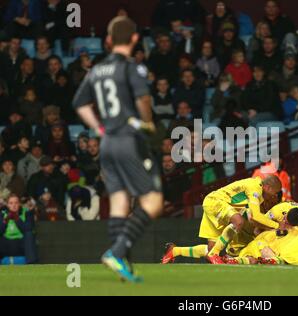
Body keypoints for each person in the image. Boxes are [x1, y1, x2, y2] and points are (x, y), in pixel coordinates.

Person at [73, 16, 164, 283]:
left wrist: (100, 129)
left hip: (107, 143)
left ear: (109, 41)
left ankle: (122, 267)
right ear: (135, 39)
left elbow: (79, 104)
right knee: (154, 202)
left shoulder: (97, 69)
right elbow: (144, 99)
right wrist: (147, 123)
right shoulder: (132, 68)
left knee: (119, 202)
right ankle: (117, 251)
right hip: (128, 140)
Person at [164, 176, 283, 265]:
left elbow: (252, 218)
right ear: (268, 187)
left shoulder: (257, 192)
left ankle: (175, 251)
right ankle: (215, 253)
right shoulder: (255, 188)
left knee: (210, 250)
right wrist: (277, 225)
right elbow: (256, 216)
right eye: (275, 192)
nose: (275, 195)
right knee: (238, 221)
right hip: (216, 202)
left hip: (213, 204)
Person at [0, 194, 38, 264]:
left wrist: (16, 218)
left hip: (21, 244)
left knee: (29, 234)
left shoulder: (26, 212)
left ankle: (31, 263)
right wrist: (6, 220)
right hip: (6, 244)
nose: (13, 205)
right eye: (11, 203)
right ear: (7, 205)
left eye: (16, 203)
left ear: (19, 204)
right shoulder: (2, 214)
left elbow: (28, 229)